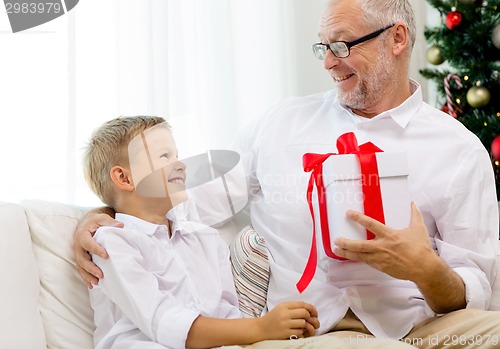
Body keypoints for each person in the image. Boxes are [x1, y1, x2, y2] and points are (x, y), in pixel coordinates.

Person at [75, 1, 500, 348]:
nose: (329, 63)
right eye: (323, 47)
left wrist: (427, 271)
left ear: (397, 38)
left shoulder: (458, 150)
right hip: (309, 330)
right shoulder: (281, 124)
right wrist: (103, 215)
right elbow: (181, 204)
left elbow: (477, 286)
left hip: (422, 329)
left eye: (343, 46)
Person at [81, 116, 320, 349]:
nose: (181, 164)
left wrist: (274, 327)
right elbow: (163, 322)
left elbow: (227, 313)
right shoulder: (111, 242)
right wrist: (262, 327)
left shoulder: (203, 237)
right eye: (165, 156)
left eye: (177, 155)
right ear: (124, 177)